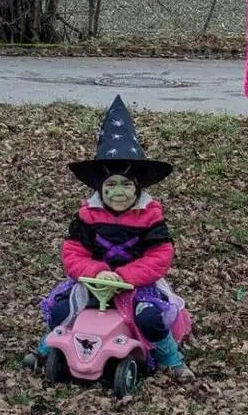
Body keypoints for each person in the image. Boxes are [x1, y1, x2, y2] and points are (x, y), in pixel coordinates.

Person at [23, 95, 194, 380]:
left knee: (149, 318)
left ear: (137, 188)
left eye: (126, 185)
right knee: (62, 310)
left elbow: (159, 256)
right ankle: (46, 350)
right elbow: (73, 252)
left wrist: (125, 275)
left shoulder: (149, 216)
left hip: (137, 286)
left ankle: (171, 359)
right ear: (100, 188)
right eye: (111, 185)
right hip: (94, 282)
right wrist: (98, 273)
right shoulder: (88, 215)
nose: (118, 192)